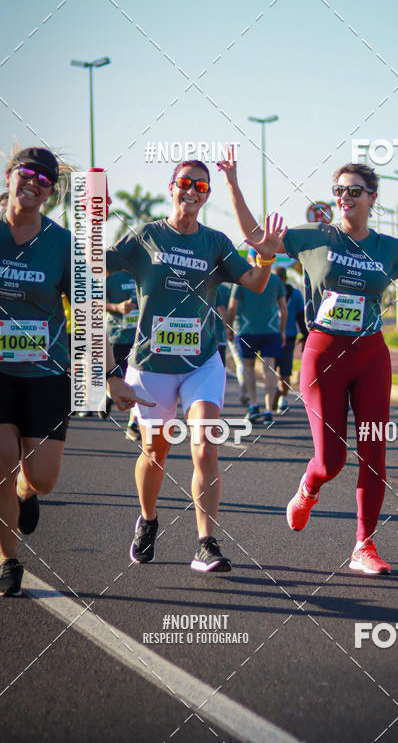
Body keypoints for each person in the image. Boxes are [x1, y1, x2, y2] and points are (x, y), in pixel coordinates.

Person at [219, 151, 398, 575]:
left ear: (372, 198)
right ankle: (309, 485)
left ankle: (363, 546)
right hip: (323, 355)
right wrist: (234, 184)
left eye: (354, 191)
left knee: (374, 454)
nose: (345, 197)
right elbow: (259, 237)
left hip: (370, 356)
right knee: (331, 461)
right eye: (339, 190)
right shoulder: (315, 237)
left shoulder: (389, 249)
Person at [105, 159, 284, 573]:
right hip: (152, 364)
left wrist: (267, 259)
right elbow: (94, 267)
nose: (192, 191)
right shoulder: (146, 236)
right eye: (185, 183)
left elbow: (256, 283)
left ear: (207, 195)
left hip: (202, 361)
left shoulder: (216, 243)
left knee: (204, 443)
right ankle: (148, 519)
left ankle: (206, 542)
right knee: (156, 450)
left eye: (201, 186)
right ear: (171, 188)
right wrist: (92, 222)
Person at [0, 148, 147, 596]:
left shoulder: (62, 243)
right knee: (1, 462)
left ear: (51, 191)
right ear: (9, 177)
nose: (34, 183)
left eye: (45, 180)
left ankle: (27, 492)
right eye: (27, 174)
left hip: (47, 371)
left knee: (40, 477)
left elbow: (85, 311)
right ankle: (8, 561)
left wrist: (111, 376)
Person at [227, 250, 287, 427]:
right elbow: (283, 309)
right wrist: (282, 330)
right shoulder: (275, 280)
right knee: (269, 369)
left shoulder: (242, 280)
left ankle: (254, 406)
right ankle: (269, 410)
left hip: (247, 331)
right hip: (271, 330)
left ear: (249, 259)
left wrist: (229, 327)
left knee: (248, 366)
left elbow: (232, 307)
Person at [102, 269, 141, 440]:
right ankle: (110, 394)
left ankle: (133, 424)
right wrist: (116, 307)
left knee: (138, 380)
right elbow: (94, 302)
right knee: (121, 377)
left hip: (142, 338)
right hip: (118, 336)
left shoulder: (144, 272)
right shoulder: (111, 278)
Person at [273, 266, 307, 414]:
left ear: (284, 279)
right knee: (273, 369)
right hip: (272, 336)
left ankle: (281, 396)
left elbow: (300, 317)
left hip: (288, 337)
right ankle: (277, 396)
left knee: (285, 372)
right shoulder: (268, 292)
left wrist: (306, 336)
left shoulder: (296, 294)